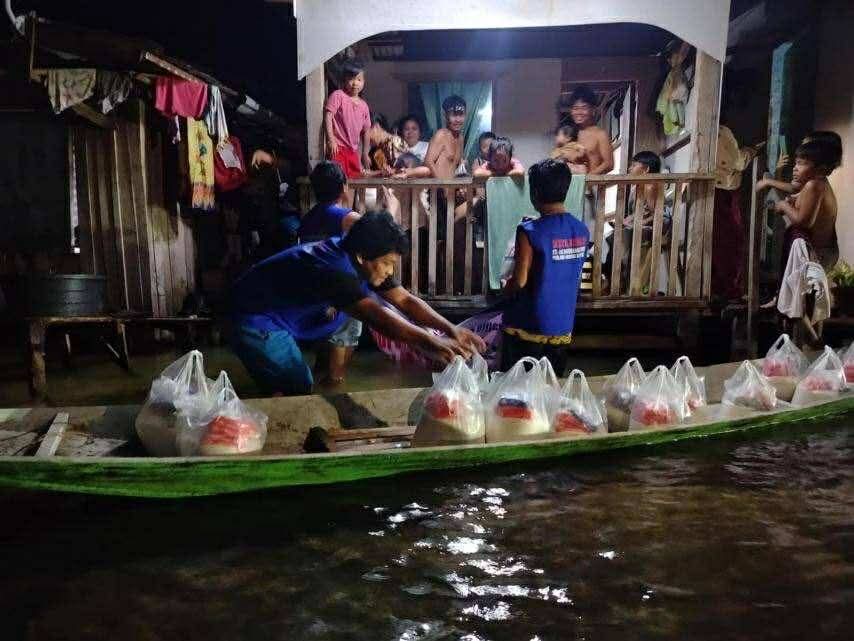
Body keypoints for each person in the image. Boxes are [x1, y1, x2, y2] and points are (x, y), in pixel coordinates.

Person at [231, 212, 485, 396]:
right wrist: (430, 342)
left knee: (343, 319)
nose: (389, 271)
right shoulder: (334, 269)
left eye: (392, 265)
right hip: (253, 315)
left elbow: (404, 299)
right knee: (297, 386)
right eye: (387, 263)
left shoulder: (362, 259)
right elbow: (378, 318)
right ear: (363, 256)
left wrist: (451, 329)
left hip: (288, 309)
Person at [500, 159, 590, 373]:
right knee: (550, 387)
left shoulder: (529, 230)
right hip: (562, 325)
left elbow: (520, 281)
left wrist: (505, 287)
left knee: (517, 390)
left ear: (535, 192)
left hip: (528, 325)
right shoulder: (581, 230)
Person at [772, 140, 839, 272]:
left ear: (820, 169)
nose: (795, 167)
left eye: (802, 163)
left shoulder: (813, 185)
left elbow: (803, 222)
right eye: (796, 162)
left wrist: (783, 205)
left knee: (802, 291)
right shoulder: (819, 184)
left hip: (818, 254)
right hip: (823, 251)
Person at [562, 86, 614, 233]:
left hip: (590, 191)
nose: (579, 112)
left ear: (592, 110)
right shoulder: (569, 133)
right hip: (569, 189)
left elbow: (609, 163)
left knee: (588, 234)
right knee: (568, 232)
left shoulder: (600, 134)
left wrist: (587, 179)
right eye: (575, 108)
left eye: (584, 107)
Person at [756, 131, 842, 196]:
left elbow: (793, 188)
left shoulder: (814, 183)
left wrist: (768, 181)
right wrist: (779, 170)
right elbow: (788, 189)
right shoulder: (814, 179)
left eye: (806, 147)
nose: (803, 150)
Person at [324, 60, 371, 180]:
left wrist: (365, 153)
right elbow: (328, 115)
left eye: (359, 79)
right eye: (351, 79)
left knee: (354, 182)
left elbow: (366, 131)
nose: (355, 83)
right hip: (338, 148)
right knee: (338, 181)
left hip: (353, 151)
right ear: (344, 80)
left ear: (364, 82)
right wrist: (331, 140)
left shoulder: (364, 105)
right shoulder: (338, 95)